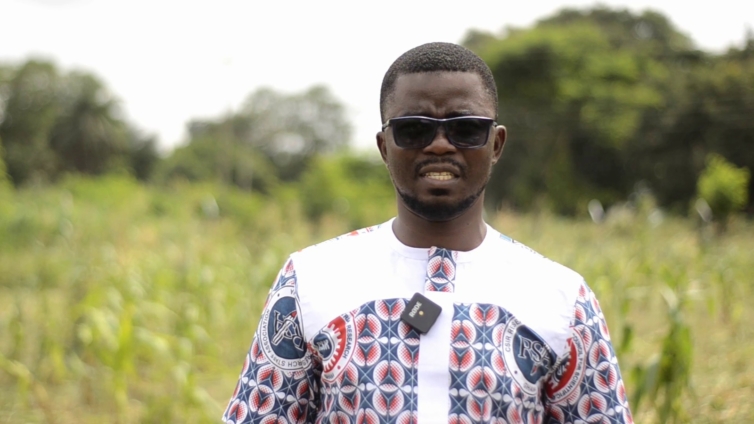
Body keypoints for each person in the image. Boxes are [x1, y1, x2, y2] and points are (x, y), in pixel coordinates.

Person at [222, 42, 633, 424]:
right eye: (414, 130)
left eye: (466, 128)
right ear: (384, 147)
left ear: (496, 144)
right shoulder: (312, 279)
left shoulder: (560, 297)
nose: (439, 145)